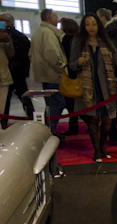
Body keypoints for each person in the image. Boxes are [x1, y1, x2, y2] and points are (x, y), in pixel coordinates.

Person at [69, 13, 117, 162]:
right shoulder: (78, 41)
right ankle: (97, 151)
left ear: (99, 26)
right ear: (83, 26)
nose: (91, 27)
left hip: (106, 88)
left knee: (108, 121)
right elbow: (70, 64)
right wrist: (78, 62)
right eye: (88, 24)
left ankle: (102, 146)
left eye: (94, 24)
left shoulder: (105, 41)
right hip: (88, 87)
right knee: (93, 119)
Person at [29, 8, 67, 137]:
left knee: (51, 104)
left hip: (45, 75)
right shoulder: (48, 33)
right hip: (52, 75)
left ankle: (48, 131)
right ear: (50, 18)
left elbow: (30, 54)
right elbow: (52, 55)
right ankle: (49, 132)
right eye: (56, 17)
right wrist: (61, 68)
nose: (58, 19)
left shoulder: (39, 32)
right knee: (57, 102)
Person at [96, 8, 117, 142]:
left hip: (111, 77)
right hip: (108, 78)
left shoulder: (110, 33)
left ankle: (103, 144)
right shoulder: (116, 32)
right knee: (108, 113)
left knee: (109, 114)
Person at [0, 13, 32, 129]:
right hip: (6, 73)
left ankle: (31, 117)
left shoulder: (19, 36)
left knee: (24, 96)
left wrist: (7, 41)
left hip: (17, 73)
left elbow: (21, 52)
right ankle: (3, 123)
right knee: (5, 103)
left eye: (3, 21)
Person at [60, 18, 80, 136]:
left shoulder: (68, 40)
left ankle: (73, 126)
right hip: (75, 73)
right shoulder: (76, 39)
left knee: (71, 103)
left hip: (71, 75)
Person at [0, 24, 13, 130]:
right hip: (3, 76)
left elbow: (11, 53)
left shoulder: (4, 40)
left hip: (3, 76)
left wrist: (7, 38)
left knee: (2, 109)